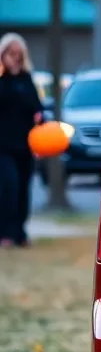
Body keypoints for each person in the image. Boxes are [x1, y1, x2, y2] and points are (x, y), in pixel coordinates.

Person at [0, 33, 43, 248]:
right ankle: (5, 233)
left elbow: (37, 108)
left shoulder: (27, 80)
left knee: (24, 190)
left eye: (18, 54)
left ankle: (20, 232)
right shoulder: (1, 81)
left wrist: (39, 117)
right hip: (3, 147)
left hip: (25, 146)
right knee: (9, 186)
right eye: (10, 53)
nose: (14, 58)